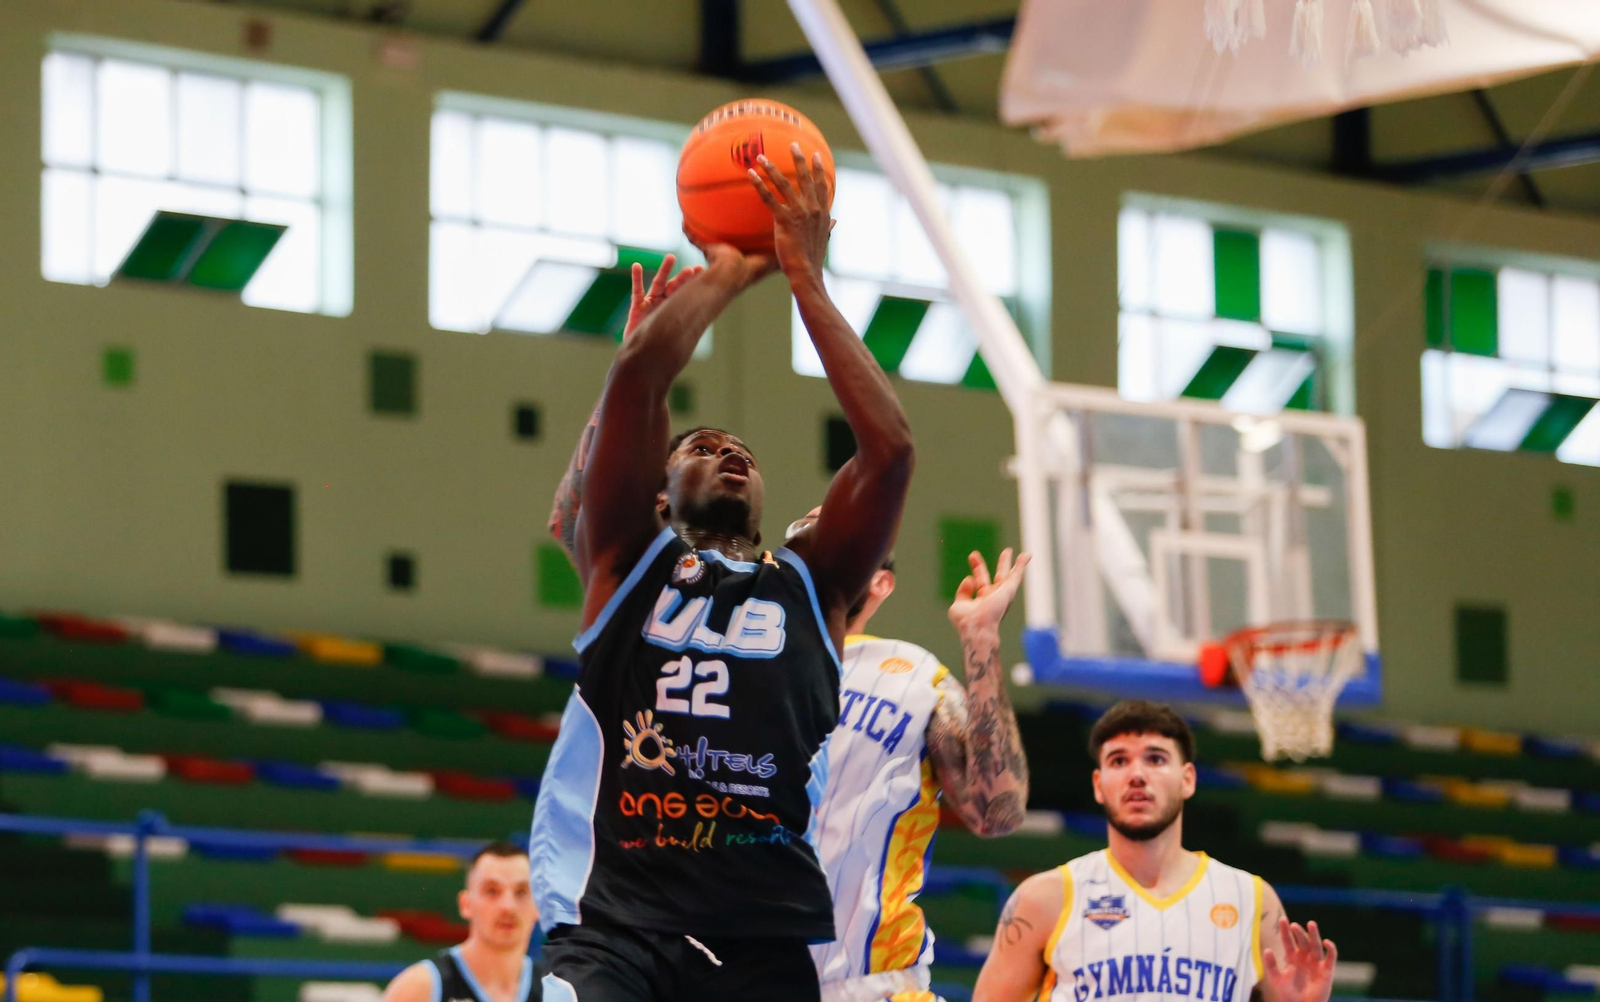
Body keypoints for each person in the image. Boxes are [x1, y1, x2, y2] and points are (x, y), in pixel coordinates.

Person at [530, 142, 914, 1002]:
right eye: (700, 448)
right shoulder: (629, 563)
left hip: (759, 933)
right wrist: (730, 270)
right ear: (655, 495)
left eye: (739, 449)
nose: (728, 452)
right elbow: (636, 385)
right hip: (613, 923)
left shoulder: (812, 584)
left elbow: (888, 453)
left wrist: (806, 282)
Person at [782, 510, 1032, 1002]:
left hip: (876, 985)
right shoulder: (735, 669)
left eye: (841, 535)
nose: (822, 544)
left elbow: (996, 813)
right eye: (805, 540)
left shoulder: (916, 679)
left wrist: (981, 639)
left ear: (881, 582)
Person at [972, 700, 1339, 1002]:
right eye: (1119, 760)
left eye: (1156, 759)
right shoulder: (1043, 899)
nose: (1137, 775)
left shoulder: (1252, 900)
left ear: (1188, 779)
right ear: (1099, 785)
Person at [381, 841, 537, 1002]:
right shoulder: (420, 987)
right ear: (466, 904)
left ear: (540, 905)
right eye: (492, 891)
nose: (508, 906)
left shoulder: (558, 990)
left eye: (521, 892)